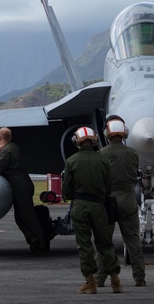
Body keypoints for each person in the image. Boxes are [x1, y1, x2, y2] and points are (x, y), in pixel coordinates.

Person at [63, 126, 121, 294]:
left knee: (84, 245)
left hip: (80, 206)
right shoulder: (103, 160)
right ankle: (115, 281)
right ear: (94, 140)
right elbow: (108, 186)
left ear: (77, 141)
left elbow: (66, 190)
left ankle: (90, 282)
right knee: (105, 244)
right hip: (99, 206)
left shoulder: (71, 161)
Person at [95, 115, 146, 287]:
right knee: (133, 241)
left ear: (106, 134)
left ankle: (100, 278)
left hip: (108, 201)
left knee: (104, 242)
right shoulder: (133, 153)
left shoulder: (101, 154)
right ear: (124, 134)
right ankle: (139, 277)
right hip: (128, 200)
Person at [0, 127, 48, 255]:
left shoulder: (7, 151)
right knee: (20, 217)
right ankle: (33, 240)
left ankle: (41, 245)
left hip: (19, 185)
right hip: (22, 183)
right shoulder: (13, 146)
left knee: (28, 216)